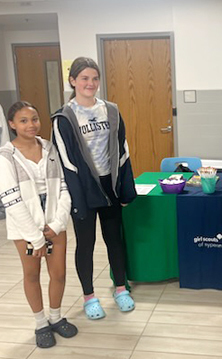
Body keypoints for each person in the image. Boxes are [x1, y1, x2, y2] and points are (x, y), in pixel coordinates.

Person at [52, 57, 137, 320]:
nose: (90, 83)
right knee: (85, 244)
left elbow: (122, 151)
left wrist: (125, 189)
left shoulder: (111, 110)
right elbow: (65, 162)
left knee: (115, 239)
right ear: (73, 81)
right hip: (83, 188)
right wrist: (76, 199)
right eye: (85, 78)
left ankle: (121, 288)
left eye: (94, 78)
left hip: (108, 185)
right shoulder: (64, 117)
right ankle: (89, 296)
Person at [0, 101, 77, 348]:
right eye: (23, 120)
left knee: (59, 273)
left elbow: (65, 187)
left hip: (54, 222)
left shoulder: (50, 147)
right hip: (26, 227)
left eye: (34, 119)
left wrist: (57, 223)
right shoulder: (5, 156)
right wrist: (36, 237)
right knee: (32, 275)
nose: (31, 125)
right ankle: (40, 323)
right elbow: (11, 201)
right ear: (12, 124)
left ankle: (55, 318)